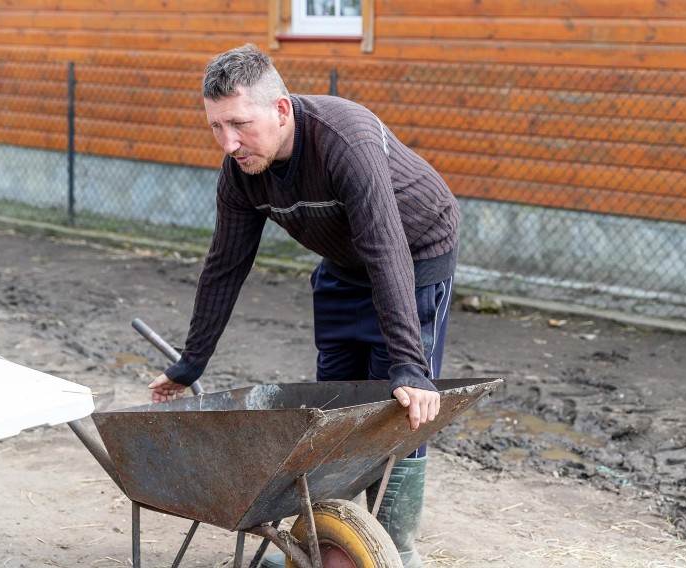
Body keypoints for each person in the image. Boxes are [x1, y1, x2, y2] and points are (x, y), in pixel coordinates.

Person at [148, 43, 460, 568]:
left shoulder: (345, 141)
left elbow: (386, 252)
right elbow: (225, 265)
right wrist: (189, 364)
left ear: (281, 109)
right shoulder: (242, 173)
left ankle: (394, 551)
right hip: (342, 265)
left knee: (400, 404)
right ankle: (323, 545)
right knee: (331, 405)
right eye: (216, 127)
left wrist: (409, 364)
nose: (228, 143)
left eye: (240, 124)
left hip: (415, 253)